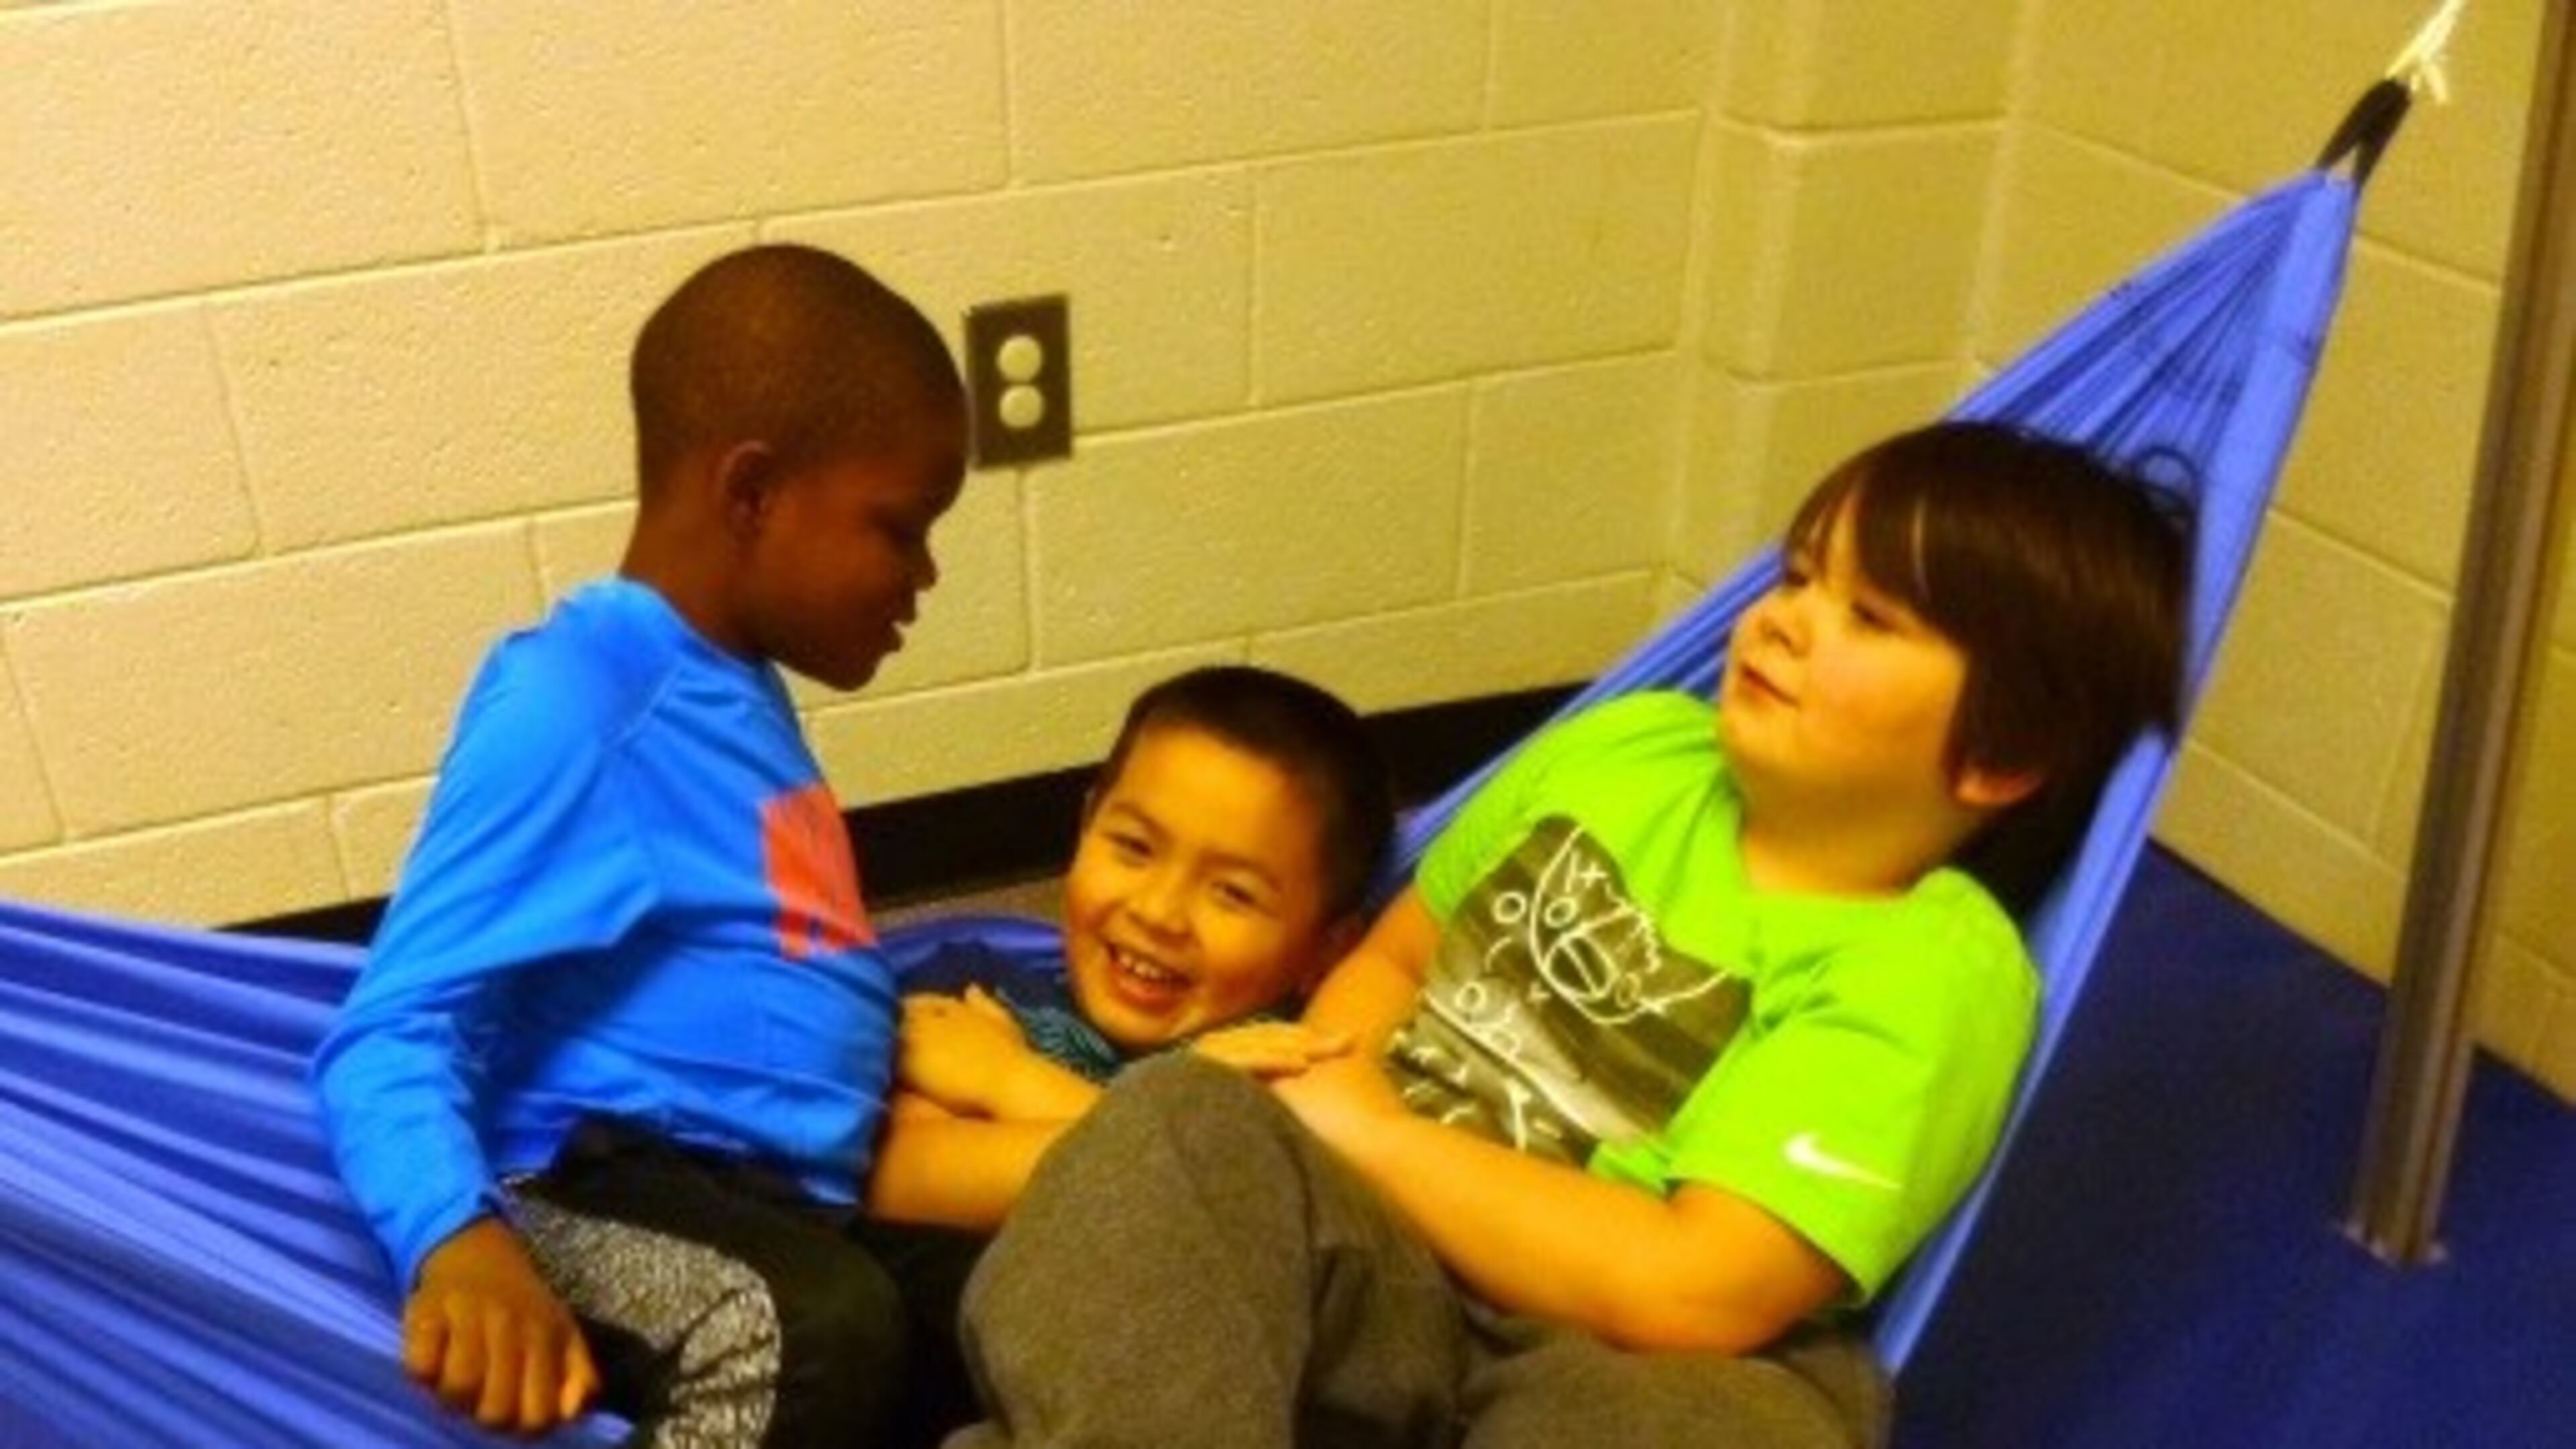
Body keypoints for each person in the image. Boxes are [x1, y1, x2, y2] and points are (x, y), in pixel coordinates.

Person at [943, 419, 2193, 1449]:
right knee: (1174, 1130)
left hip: (1613, 1352)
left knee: (1738, 1433)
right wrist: (1325, 1092)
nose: (1784, 618)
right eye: (1803, 573)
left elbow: (1695, 1286)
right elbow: (1392, 957)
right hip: (1379, 1253)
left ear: (2004, 753)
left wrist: (1373, 1136)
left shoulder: (1928, 969)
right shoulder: (1630, 751)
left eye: (1872, 616)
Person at [310, 243, 968, 1446]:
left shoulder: (736, 696)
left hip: (780, 1202)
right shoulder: (583, 699)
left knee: (993, 1310)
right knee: (802, 1331)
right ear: (754, 493)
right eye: (902, 528)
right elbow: (388, 1032)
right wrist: (456, 1240)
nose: (924, 575)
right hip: (589, 1187)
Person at [868, 662, 1397, 1234]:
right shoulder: (977, 991)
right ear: (1086, 825)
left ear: (1325, 952)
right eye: (1134, 847)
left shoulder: (1285, 1066)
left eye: (1232, 894)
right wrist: (1167, 1134)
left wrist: (1010, 1082)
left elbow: (1234, 1217)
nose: (1158, 913)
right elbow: (901, 1178)